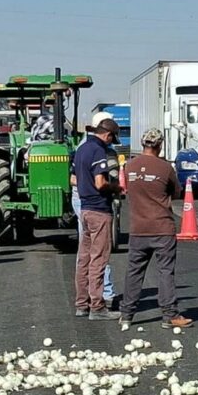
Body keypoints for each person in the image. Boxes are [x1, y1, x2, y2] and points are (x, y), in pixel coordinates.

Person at [119, 129, 192, 330]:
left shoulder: (129, 167)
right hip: (162, 227)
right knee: (165, 272)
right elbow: (176, 192)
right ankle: (170, 315)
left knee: (134, 272)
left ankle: (126, 315)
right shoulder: (165, 168)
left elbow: (126, 190)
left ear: (143, 144)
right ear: (159, 145)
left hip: (138, 228)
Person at [73, 118, 122, 320]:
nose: (111, 142)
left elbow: (72, 178)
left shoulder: (81, 149)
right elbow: (101, 183)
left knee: (83, 259)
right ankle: (97, 307)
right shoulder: (99, 151)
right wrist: (116, 188)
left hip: (84, 209)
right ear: (107, 135)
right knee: (98, 259)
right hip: (99, 211)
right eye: (111, 138)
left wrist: (86, 188)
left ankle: (81, 304)